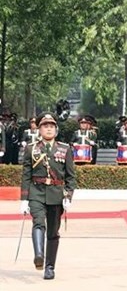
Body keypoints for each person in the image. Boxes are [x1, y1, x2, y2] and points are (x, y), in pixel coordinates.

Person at [19, 112, 76, 280]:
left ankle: (50, 267)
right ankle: (39, 256)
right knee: (38, 223)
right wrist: (24, 198)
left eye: (52, 126)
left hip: (56, 194)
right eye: (45, 126)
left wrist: (68, 196)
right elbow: (26, 175)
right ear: (40, 129)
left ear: (56, 130)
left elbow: (71, 176)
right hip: (36, 192)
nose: (49, 129)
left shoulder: (65, 149)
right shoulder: (31, 149)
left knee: (53, 232)